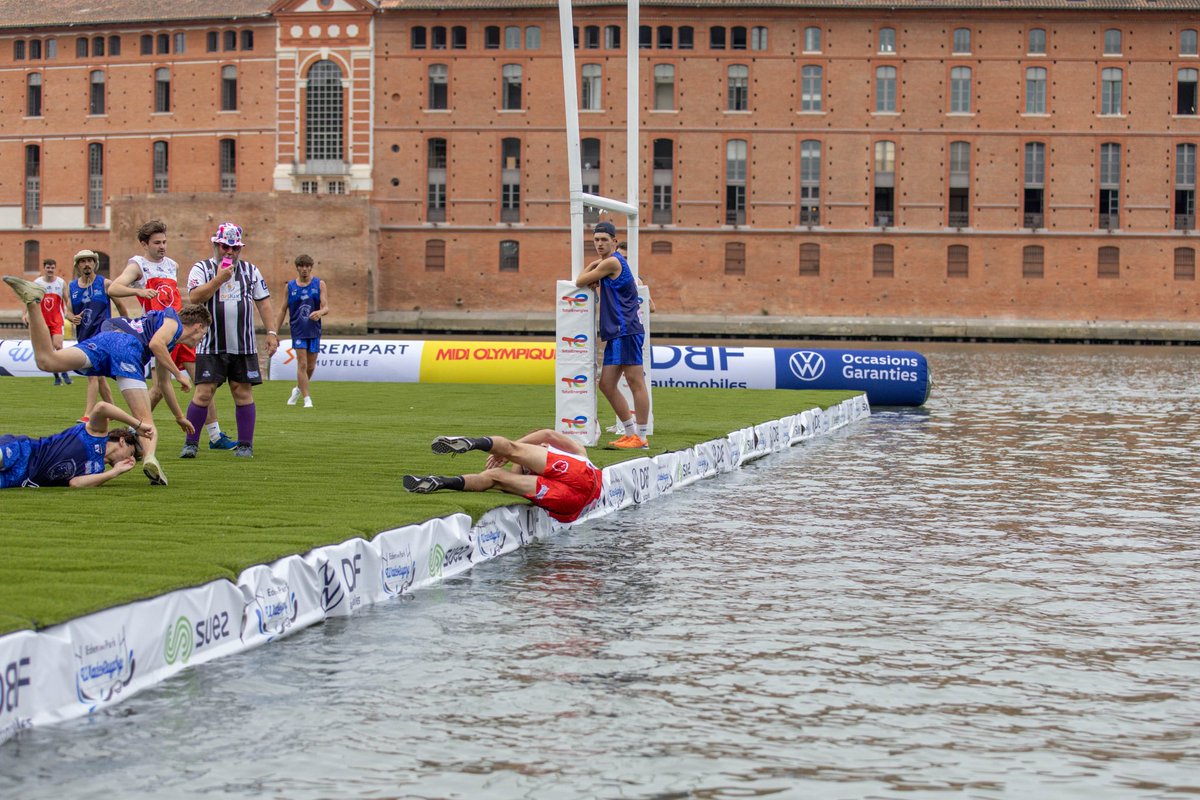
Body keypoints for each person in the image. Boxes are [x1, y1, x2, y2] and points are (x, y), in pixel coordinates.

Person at [3, 274, 211, 486]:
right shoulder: (173, 322)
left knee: (47, 361)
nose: (200, 340)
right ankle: (149, 458)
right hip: (126, 347)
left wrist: (179, 416)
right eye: (202, 335)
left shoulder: (169, 339)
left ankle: (33, 302)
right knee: (145, 421)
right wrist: (179, 374)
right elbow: (155, 344)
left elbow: (163, 384)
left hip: (108, 339)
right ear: (198, 327)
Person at [108, 219, 236, 452]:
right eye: (157, 243)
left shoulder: (172, 265)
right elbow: (113, 288)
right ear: (144, 244)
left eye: (165, 242)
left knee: (203, 382)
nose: (162, 246)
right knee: (159, 388)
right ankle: (134, 429)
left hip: (181, 330)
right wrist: (138, 290)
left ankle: (215, 435)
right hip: (158, 334)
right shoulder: (137, 265)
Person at [183, 222, 279, 459]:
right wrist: (218, 279)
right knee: (203, 393)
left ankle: (246, 444)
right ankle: (191, 444)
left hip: (243, 345)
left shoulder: (250, 271)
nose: (230, 252)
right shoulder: (201, 268)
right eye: (225, 247)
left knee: (242, 392)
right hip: (211, 344)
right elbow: (194, 298)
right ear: (216, 245)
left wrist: (272, 332)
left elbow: (264, 302)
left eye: (235, 248)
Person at [403, 430, 603, 524]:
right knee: (497, 474)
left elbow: (547, 436)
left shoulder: (579, 453)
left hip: (578, 483)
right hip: (571, 503)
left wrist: (507, 451)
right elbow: (548, 436)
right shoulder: (578, 454)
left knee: (504, 461)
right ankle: (440, 482)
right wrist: (512, 454)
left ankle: (473, 443)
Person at [574, 220, 651, 449]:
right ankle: (629, 432)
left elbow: (579, 281)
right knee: (606, 384)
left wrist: (591, 266)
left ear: (614, 242)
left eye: (604, 240)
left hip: (625, 329)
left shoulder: (612, 262)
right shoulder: (609, 264)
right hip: (616, 332)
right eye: (596, 240)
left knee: (635, 382)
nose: (599, 243)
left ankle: (642, 437)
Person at [0, 401, 150, 489]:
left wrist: (114, 472)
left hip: (20, 478)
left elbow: (75, 483)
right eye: (131, 454)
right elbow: (101, 407)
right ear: (122, 441)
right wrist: (137, 425)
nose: (130, 461)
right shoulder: (97, 434)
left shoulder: (99, 471)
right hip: (23, 451)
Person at [64, 250, 117, 421]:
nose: (86, 264)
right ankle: (114, 412)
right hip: (84, 337)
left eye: (89, 261)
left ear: (95, 264)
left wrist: (125, 326)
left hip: (102, 337)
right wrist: (73, 318)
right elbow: (68, 312)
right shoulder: (71, 287)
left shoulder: (105, 284)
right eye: (82, 261)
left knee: (92, 375)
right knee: (99, 378)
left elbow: (121, 307)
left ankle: (87, 415)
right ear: (77, 265)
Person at [274, 254, 329, 408]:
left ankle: (298, 389)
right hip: (298, 330)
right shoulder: (290, 286)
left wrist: (320, 312)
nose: (304, 269)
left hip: (314, 330)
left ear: (311, 267)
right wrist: (274, 332)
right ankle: (307, 399)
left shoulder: (319, 284)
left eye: (307, 266)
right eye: (301, 266)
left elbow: (326, 307)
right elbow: (282, 309)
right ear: (297, 268)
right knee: (302, 364)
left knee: (311, 367)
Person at [26, 258, 72, 386]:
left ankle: (64, 372)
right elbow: (30, 299)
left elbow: (67, 300)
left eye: (52, 267)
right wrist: (26, 314)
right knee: (49, 350)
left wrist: (70, 313)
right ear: (44, 268)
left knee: (59, 346)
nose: (50, 270)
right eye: (48, 267)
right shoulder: (37, 283)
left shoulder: (61, 283)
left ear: (55, 268)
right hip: (43, 321)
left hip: (57, 320)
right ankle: (57, 377)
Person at [616, 241, 656, 313]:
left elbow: (651, 308)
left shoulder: (636, 280)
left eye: (625, 258)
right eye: (618, 257)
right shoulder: (608, 275)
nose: (621, 260)